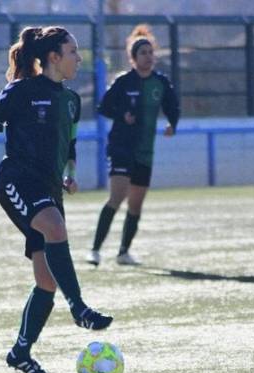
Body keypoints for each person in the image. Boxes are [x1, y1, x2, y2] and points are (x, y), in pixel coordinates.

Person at [0, 26, 113, 373]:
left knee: (46, 283)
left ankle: (20, 351)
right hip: (17, 179)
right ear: (53, 57)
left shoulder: (72, 101)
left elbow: (70, 144)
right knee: (55, 229)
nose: (79, 58)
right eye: (73, 52)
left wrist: (70, 173)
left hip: (49, 188)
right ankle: (78, 308)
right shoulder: (21, 90)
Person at [87, 24, 180, 266]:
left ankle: (123, 252)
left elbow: (173, 105)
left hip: (145, 151)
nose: (149, 57)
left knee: (136, 204)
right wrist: (122, 115)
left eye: (151, 53)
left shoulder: (160, 82)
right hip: (121, 148)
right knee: (117, 196)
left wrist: (173, 124)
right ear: (133, 58)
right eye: (143, 53)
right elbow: (103, 107)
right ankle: (95, 250)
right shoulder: (123, 82)